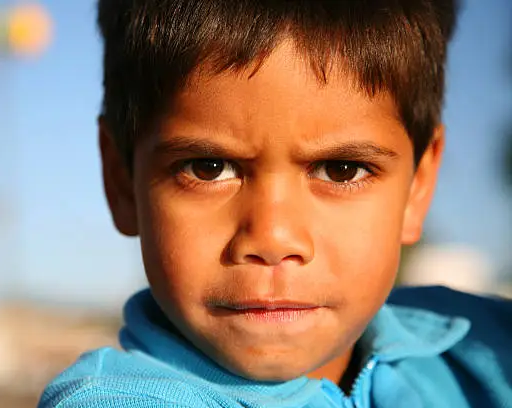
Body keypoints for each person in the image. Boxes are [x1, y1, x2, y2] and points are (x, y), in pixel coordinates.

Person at [38, 1, 511, 406]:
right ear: (121, 182)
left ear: (417, 188)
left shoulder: (474, 343)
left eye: (341, 170)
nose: (272, 237)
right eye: (208, 167)